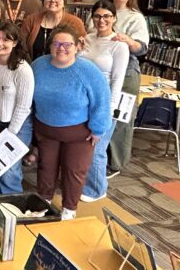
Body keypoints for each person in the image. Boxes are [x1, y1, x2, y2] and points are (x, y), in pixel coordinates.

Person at [32, 25, 111, 220]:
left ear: (77, 46)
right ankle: (43, 203)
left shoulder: (88, 71)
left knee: (74, 171)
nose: (61, 48)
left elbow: (102, 101)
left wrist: (98, 129)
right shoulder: (38, 66)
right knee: (46, 168)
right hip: (46, 130)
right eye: (56, 44)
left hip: (79, 134)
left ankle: (69, 209)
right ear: (50, 46)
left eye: (67, 44)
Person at [80, 0, 129, 202]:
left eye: (106, 16)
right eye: (98, 16)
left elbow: (117, 80)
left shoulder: (119, 45)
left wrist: (109, 110)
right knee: (85, 146)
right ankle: (86, 182)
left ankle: (97, 190)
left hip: (104, 103)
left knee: (97, 148)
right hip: (83, 102)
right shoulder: (87, 39)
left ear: (114, 18)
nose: (102, 20)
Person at [103, 0, 150, 177]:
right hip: (103, 73)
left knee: (120, 119)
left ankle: (115, 164)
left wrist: (127, 40)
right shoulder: (102, 11)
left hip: (127, 74)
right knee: (102, 116)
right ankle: (100, 158)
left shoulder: (135, 17)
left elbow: (142, 48)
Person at [0, 21, 34, 194]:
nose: (0, 43)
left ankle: (12, 209)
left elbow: (23, 107)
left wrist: (9, 134)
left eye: (6, 40)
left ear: (14, 43)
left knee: (8, 170)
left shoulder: (22, 69)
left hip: (19, 125)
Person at [20, 0, 87, 60]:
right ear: (43, 2)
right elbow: (21, 45)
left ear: (64, 2)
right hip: (35, 66)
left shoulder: (75, 22)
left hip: (64, 66)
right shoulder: (31, 19)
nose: (52, 0)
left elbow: (82, 49)